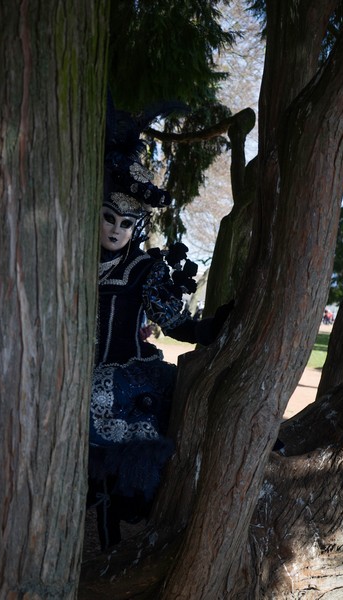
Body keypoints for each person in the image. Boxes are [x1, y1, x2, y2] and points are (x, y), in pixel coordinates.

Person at [87, 95, 232, 550]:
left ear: (138, 227)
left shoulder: (144, 269)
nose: (115, 230)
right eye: (108, 218)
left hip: (123, 384)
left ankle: (114, 542)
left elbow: (174, 322)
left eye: (126, 224)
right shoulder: (72, 261)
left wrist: (210, 329)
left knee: (115, 458)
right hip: (69, 380)